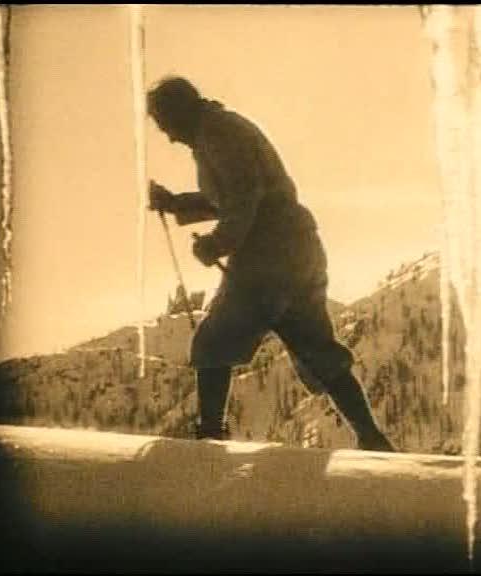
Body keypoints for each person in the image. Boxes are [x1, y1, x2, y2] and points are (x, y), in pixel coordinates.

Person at [146, 76, 394, 452]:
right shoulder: (220, 130)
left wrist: (217, 243)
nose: (167, 136)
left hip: (268, 256)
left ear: (179, 111)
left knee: (213, 343)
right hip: (298, 250)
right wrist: (177, 203)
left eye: (165, 124)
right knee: (317, 348)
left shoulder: (217, 133)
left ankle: (209, 439)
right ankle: (372, 439)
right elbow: (235, 195)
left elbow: (244, 196)